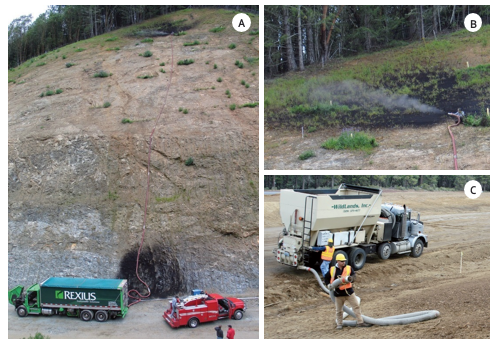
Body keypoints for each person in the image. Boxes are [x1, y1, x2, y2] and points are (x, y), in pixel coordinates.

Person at [325, 253, 370, 329]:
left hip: (349, 292)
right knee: (339, 310)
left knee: (356, 307)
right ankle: (339, 324)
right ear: (338, 261)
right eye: (342, 261)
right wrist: (328, 284)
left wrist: (350, 279)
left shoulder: (348, 268)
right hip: (338, 293)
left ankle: (360, 322)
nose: (344, 262)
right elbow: (326, 277)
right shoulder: (332, 269)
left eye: (344, 261)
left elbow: (354, 276)